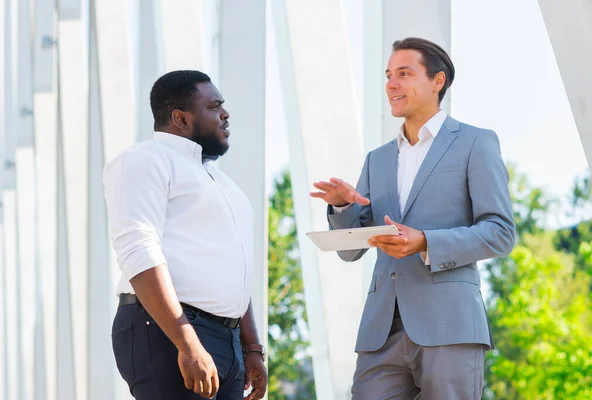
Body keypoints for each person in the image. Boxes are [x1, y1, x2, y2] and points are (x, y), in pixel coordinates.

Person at [310, 37, 516, 399]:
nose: (392, 83)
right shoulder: (377, 159)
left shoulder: (475, 143)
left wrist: (425, 242)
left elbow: (500, 232)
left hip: (449, 326)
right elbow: (351, 251)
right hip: (381, 331)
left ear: (437, 82)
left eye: (404, 73)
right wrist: (344, 209)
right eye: (389, 75)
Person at [104, 70, 267, 400]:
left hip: (228, 341)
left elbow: (237, 269)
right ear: (180, 118)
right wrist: (187, 341)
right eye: (214, 106)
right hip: (169, 331)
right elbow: (139, 250)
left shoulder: (223, 183)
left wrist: (252, 347)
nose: (226, 113)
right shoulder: (144, 160)